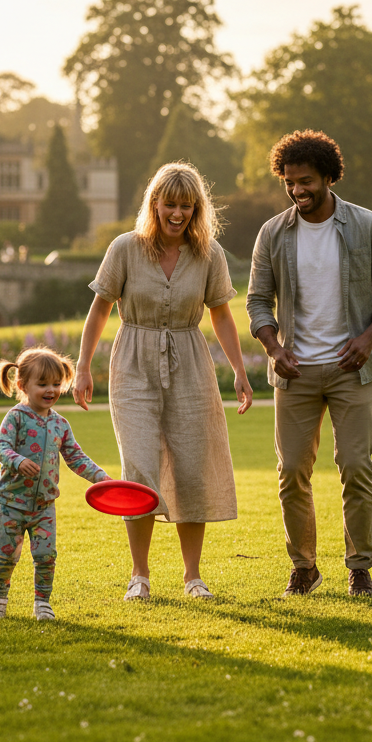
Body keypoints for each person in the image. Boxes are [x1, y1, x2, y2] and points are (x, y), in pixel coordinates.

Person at [74, 162, 253, 603]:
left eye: (186, 206)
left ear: (197, 208)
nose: (177, 213)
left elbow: (222, 314)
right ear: (154, 203)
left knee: (193, 469)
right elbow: (100, 309)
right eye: (170, 204)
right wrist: (82, 366)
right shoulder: (125, 248)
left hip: (192, 365)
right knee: (139, 469)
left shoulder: (209, 254)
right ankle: (140, 575)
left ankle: (193, 577)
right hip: (132, 363)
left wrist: (240, 370)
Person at [247, 130, 372, 598]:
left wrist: (368, 337)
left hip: (351, 368)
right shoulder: (273, 233)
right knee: (292, 470)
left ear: (329, 177)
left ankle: (359, 567)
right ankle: (305, 567)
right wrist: (275, 350)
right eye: (290, 182)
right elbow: (258, 301)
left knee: (355, 466)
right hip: (293, 371)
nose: (298, 190)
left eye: (307, 181)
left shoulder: (368, 225)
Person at [0, 347, 112, 621]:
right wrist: (17, 461)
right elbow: (1, 446)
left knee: (46, 556)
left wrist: (101, 477)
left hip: (44, 506)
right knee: (8, 554)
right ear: (22, 385)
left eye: (56, 384)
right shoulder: (16, 417)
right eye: (42, 384)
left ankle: (42, 602)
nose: (51, 390)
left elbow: (75, 457)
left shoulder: (60, 424)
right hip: (12, 503)